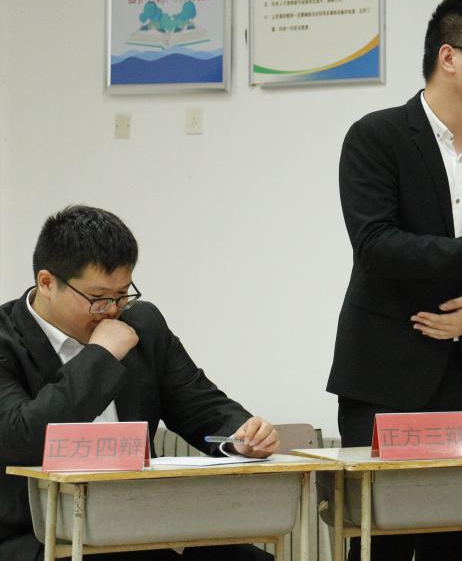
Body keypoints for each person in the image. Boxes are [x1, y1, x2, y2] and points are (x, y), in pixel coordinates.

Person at [327, 0, 462, 560]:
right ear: (449, 57)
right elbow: (377, 245)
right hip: (385, 378)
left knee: (460, 544)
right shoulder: (377, 137)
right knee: (383, 546)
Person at [0, 205, 279, 561]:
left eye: (122, 294)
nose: (112, 310)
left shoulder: (142, 324)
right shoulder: (6, 340)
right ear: (47, 283)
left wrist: (243, 435)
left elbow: (200, 404)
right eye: (98, 298)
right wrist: (101, 356)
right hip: (38, 534)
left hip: (141, 523)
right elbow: (22, 438)